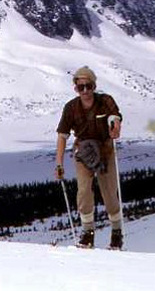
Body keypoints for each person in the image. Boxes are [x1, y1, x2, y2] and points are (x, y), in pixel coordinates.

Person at [55, 66, 123, 249]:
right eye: (80, 87)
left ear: (94, 86)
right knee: (84, 191)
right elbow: (62, 135)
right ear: (76, 88)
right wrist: (59, 163)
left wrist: (115, 126)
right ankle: (87, 233)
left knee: (109, 192)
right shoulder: (71, 108)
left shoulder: (105, 101)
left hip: (105, 149)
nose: (85, 91)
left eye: (88, 86)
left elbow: (115, 117)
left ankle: (116, 232)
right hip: (83, 152)